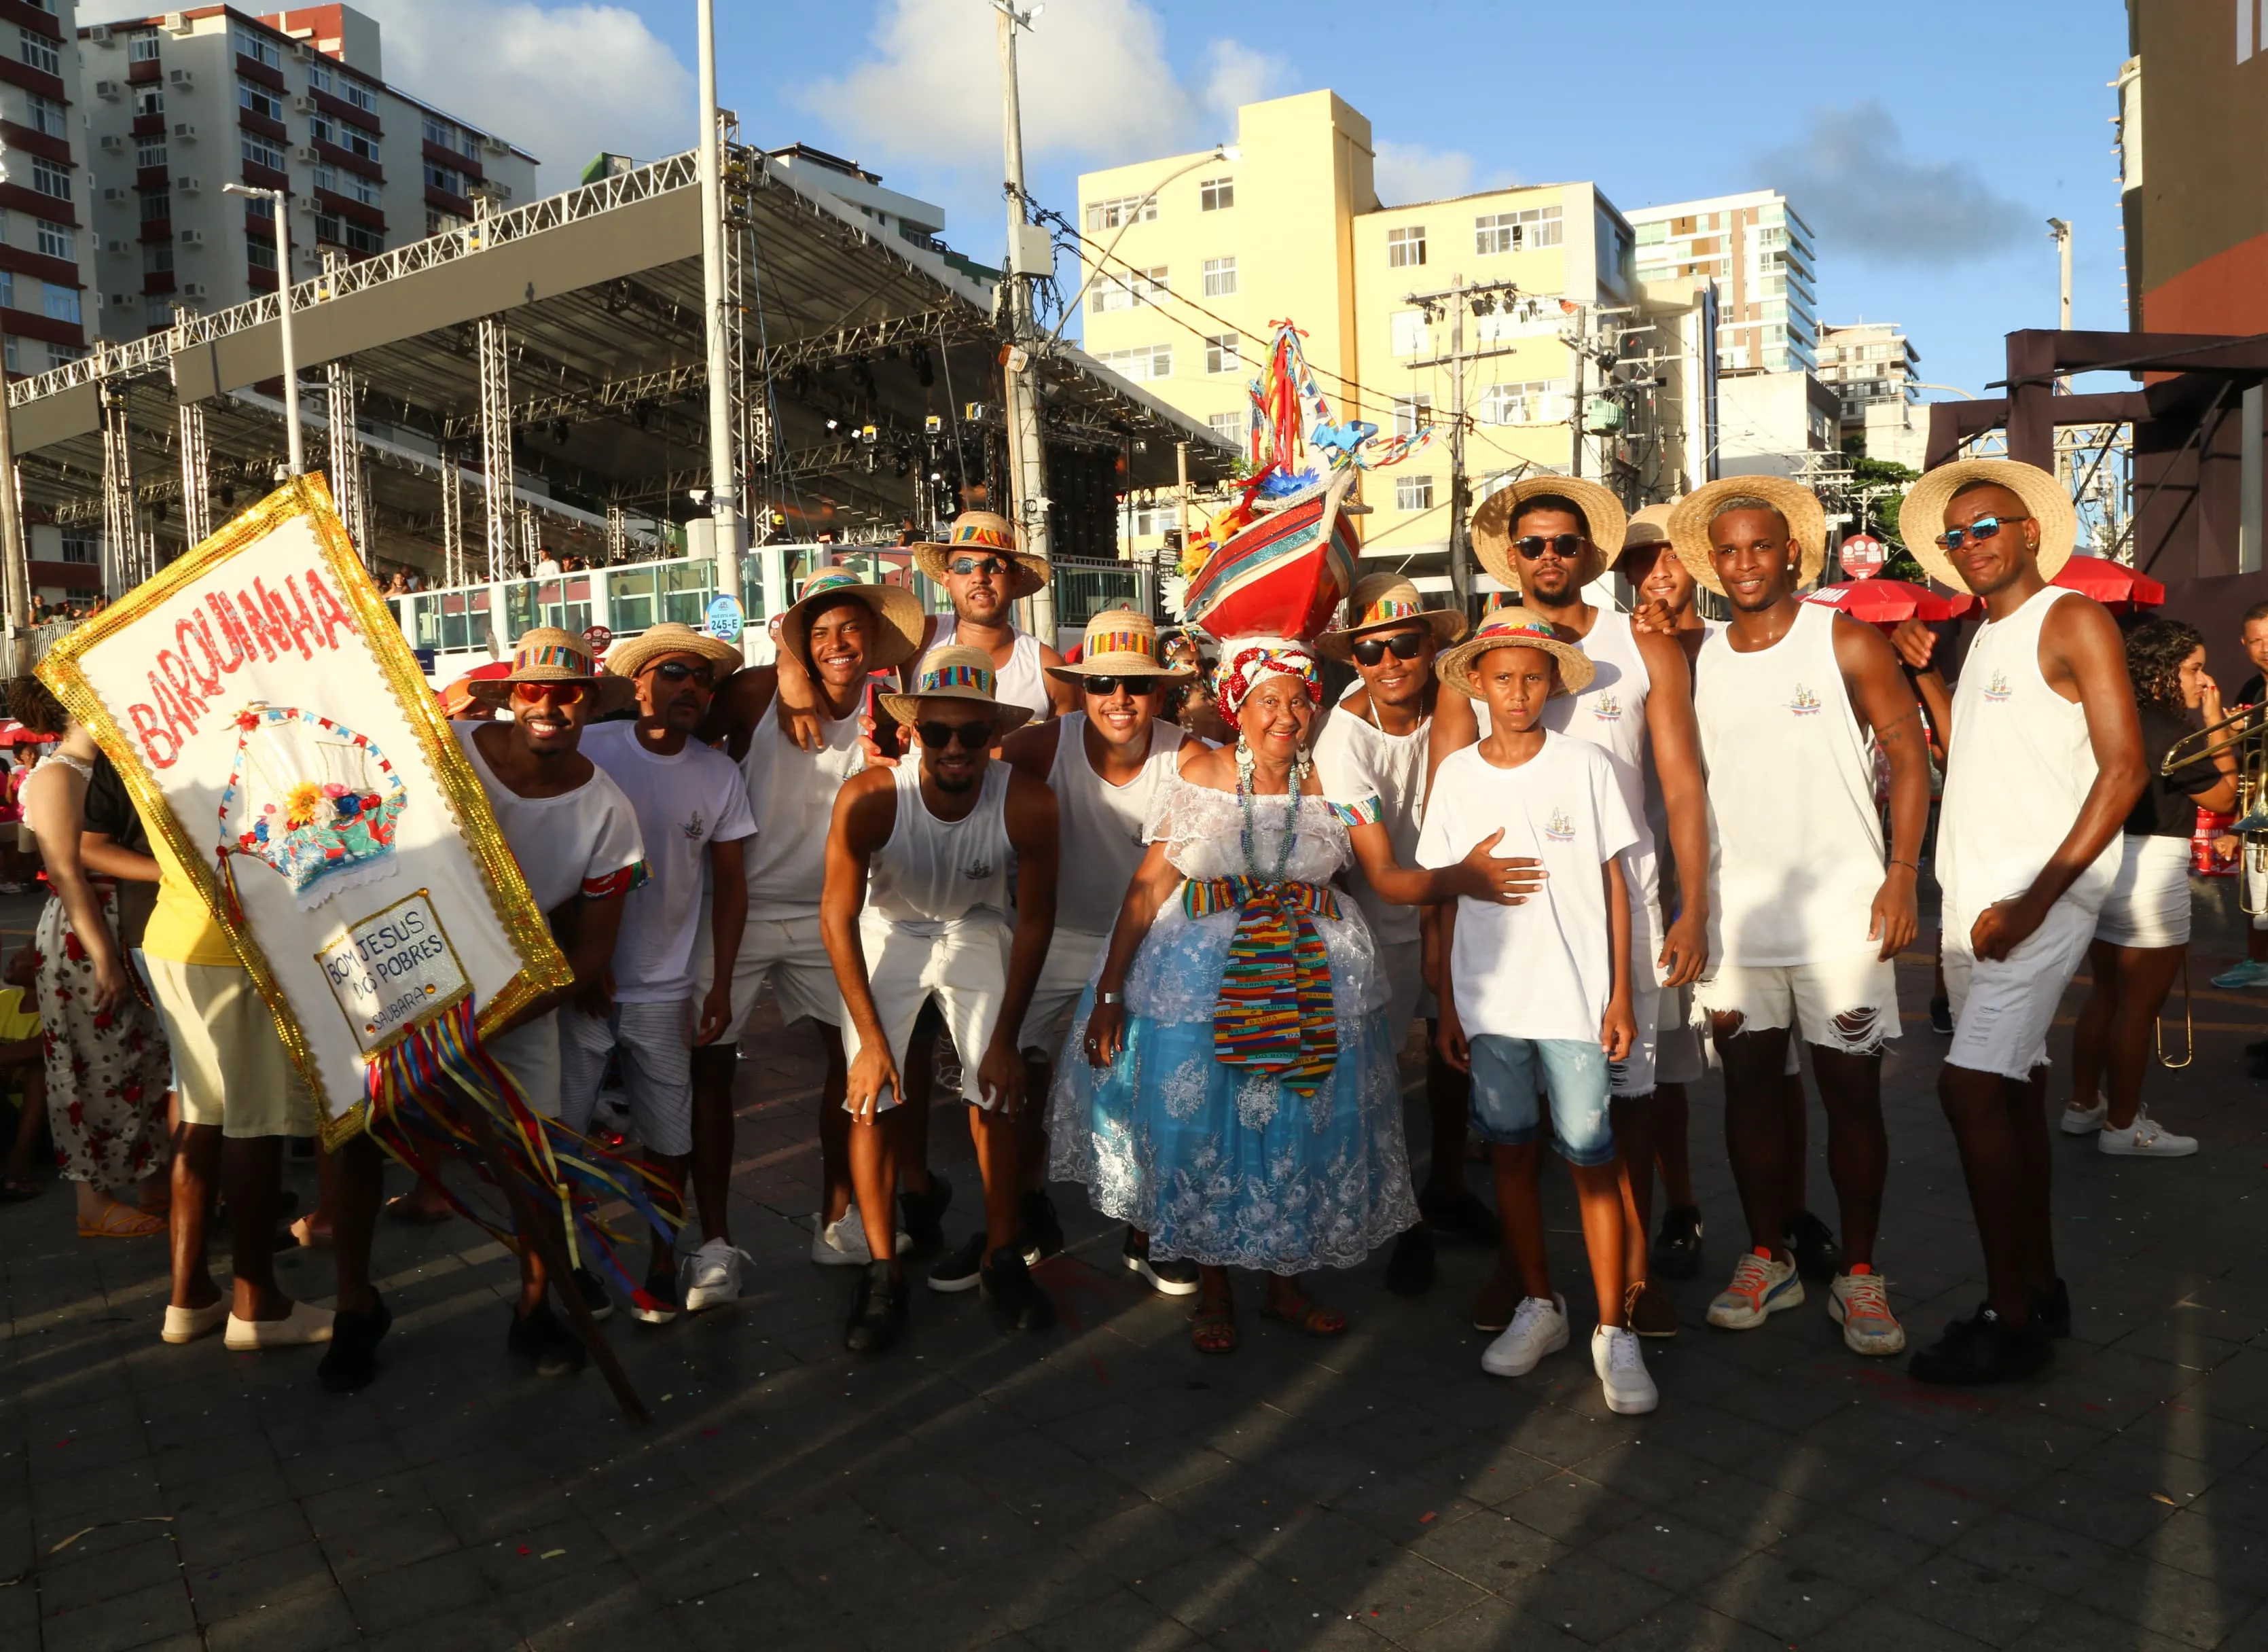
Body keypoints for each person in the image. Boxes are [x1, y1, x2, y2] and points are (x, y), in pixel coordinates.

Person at [1056, 638, 1419, 1354]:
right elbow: (1150, 885)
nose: (1285, 715)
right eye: (1267, 700)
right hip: (1199, 983)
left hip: (1311, 973)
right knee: (1209, 1129)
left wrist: (1463, 877)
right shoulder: (1200, 772)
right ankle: (1215, 1287)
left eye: (1298, 700)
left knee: (1297, 1123)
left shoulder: (1336, 778)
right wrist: (1109, 992)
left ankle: (1285, 1281)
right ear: (1238, 707)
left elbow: (1376, 874)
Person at [320, 628, 645, 1390]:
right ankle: (352, 1305)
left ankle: (534, 1308)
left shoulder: (609, 811)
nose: (549, 704)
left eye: (567, 692)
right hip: (393, 976)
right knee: (355, 1136)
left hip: (517, 1000)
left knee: (537, 1154)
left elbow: (594, 950)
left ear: (590, 703)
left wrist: (503, 1013)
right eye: (532, 688)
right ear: (509, 696)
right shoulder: (442, 744)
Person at [1662, 478, 1930, 1357]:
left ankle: (1857, 1275)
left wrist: (1899, 876)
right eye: (1726, 551)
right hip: (1738, 919)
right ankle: (1767, 1257)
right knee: (1747, 1095)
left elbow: (1905, 750)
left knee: (1850, 1094)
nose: (1742, 564)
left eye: (1757, 547)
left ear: (1789, 553)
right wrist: (1693, 907)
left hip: (1840, 917)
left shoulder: (1843, 637)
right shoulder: (1697, 658)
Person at [1439, 479, 1710, 1343]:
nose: (1549, 558)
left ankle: (1627, 1283)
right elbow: (1450, 820)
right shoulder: (1480, 653)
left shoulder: (1643, 644)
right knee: (1513, 1124)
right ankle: (1523, 1277)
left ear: (1591, 554)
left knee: (1622, 1104)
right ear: (1510, 556)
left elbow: (1683, 785)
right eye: (1532, 545)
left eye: (1565, 544)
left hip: (1621, 904)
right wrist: (1435, 959)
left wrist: (1692, 907)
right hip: (1507, 918)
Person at [1895, 459, 2146, 1384]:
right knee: (2009, 1091)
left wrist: (2037, 898)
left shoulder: (2069, 617)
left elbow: (2122, 771)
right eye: (1954, 536)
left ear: (2029, 530)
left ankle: (2006, 1316)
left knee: (1966, 1092)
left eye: (1986, 526)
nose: (1970, 546)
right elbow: (1975, 758)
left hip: (2038, 894)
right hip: (1974, 899)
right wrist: (1926, 684)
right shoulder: (1982, 638)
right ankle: (2037, 1285)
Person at [1418, 613, 1655, 1414]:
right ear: (1476, 684)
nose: (1517, 692)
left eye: (1531, 677)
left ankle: (1613, 1325)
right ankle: (1540, 1304)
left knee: (1591, 1153)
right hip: (1491, 1001)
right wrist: (1449, 1003)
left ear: (1551, 683)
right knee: (1512, 1150)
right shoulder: (1455, 775)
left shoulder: (1584, 763)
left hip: (1575, 998)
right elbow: (1443, 895)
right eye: (1502, 677)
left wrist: (1619, 992)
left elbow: (1614, 881)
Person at [822, 645, 1060, 1354]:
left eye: (973, 733)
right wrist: (868, 1042)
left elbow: (1037, 918)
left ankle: (1002, 1253)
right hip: (887, 925)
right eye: (938, 732)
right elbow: (836, 915)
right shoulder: (870, 796)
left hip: (975, 924)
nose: (955, 748)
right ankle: (881, 1264)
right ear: (912, 731)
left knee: (998, 1087)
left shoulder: (1026, 798)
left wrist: (1005, 1039)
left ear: (995, 734)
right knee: (869, 1094)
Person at [698, 571, 930, 1273]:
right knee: (707, 1075)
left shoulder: (889, 710)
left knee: (853, 1067)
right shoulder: (755, 693)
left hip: (836, 915)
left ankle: (836, 1214)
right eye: (818, 632)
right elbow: (691, 752)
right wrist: (785, 669)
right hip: (734, 911)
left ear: (873, 639)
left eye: (849, 629)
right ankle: (711, 1240)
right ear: (796, 641)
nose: (835, 644)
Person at [1310, 575, 1508, 1296]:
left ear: (1432, 647)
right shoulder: (1342, 738)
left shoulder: (1458, 702)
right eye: (1370, 651)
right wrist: (1458, 887)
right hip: (1383, 913)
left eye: (1403, 645)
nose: (1389, 662)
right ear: (1353, 661)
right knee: (1387, 1076)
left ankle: (1449, 1187)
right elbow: (1382, 871)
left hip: (1458, 900)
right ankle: (1403, 1221)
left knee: (1458, 1056)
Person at [564, 622, 755, 1318]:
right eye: (673, 671)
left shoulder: (718, 771)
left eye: (702, 678)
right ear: (638, 682)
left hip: (665, 985)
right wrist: (577, 958)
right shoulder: (590, 747)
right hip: (583, 982)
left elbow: (730, 885)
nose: (690, 687)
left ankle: (661, 1260)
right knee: (565, 1130)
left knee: (669, 1137)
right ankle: (571, 1262)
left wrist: (722, 981)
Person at [1008, 609, 1198, 1294]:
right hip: (1053, 935)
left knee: (1152, 1085)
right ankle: (1019, 1210)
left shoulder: (1191, 754)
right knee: (1013, 1075)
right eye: (1102, 684)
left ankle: (1145, 1226)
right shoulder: (1039, 747)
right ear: (1080, 689)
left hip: (1151, 944)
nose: (1119, 699)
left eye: (1137, 685)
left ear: (1161, 693)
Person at [2058, 619, 2231, 1157]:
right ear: (2160, 670)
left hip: (2100, 859)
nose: (2200, 680)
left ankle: (2083, 1106)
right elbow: (2224, 798)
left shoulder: (2103, 716)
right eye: (2192, 668)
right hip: (2152, 866)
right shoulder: (2169, 731)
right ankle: (2123, 1124)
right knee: (2138, 1007)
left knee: (2104, 995)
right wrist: (2213, 720)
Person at [15, 685, 171, 1239]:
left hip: (123, 915)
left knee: (144, 1055)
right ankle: (92, 1198)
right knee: (90, 1059)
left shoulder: (100, 767)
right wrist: (103, 956)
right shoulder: (58, 775)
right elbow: (66, 872)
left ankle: (153, 1181)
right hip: (88, 927)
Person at [1611, 507, 1710, 1280]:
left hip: (1717, 875)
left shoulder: (1732, 641)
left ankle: (1749, 1219)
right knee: (1654, 1061)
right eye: (1645, 559)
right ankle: (1669, 1203)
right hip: (1643, 884)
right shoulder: (1615, 652)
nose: (1660, 571)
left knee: (1732, 1061)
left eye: (1674, 554)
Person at [905, 511, 1076, 721]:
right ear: (946, 580)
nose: (979, 577)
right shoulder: (917, 640)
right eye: (963, 566)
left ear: (1015, 581)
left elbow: (1066, 749)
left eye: (994, 566)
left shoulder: (1047, 671)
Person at [2212, 600, 2268, 990]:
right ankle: (2259, 961)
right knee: (2257, 898)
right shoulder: (2253, 688)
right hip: (2258, 810)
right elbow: (2248, 759)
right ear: (2244, 645)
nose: (2266, 648)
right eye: (2257, 640)